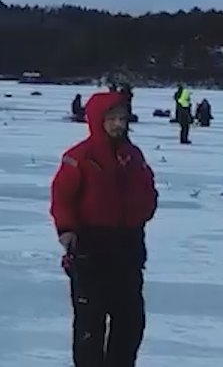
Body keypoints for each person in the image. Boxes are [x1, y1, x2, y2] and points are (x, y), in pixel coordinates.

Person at [50, 91, 158, 367]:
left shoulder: (133, 156)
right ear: (97, 120)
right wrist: (67, 231)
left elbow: (148, 189)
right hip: (90, 249)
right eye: (112, 119)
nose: (118, 124)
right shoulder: (79, 157)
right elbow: (62, 197)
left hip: (127, 248)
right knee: (90, 325)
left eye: (122, 119)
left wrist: (142, 212)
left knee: (131, 322)